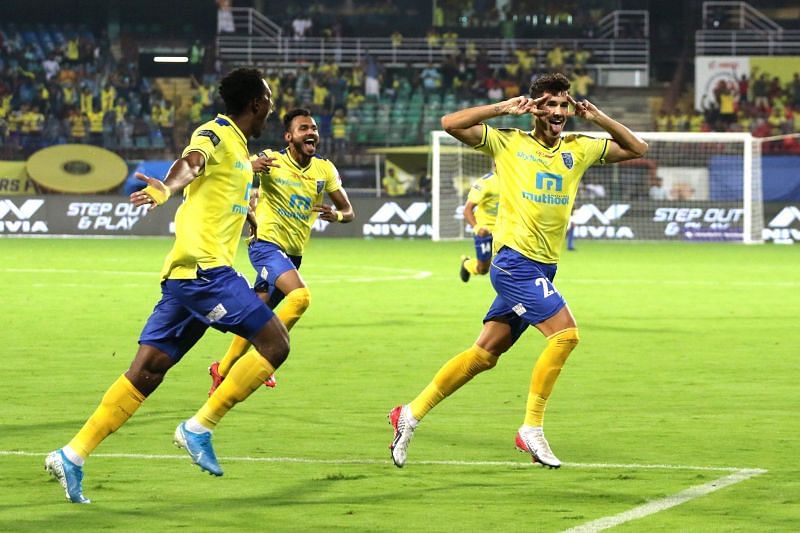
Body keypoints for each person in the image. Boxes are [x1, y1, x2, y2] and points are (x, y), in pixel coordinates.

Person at [45, 68, 288, 504]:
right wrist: (165, 188)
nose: (271, 104)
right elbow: (191, 164)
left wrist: (248, 207)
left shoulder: (239, 150)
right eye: (268, 98)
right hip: (205, 274)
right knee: (276, 344)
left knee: (147, 372)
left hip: (182, 278)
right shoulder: (214, 132)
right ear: (256, 103)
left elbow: (222, 183)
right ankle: (198, 427)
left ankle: (73, 454)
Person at [387, 73, 648, 468]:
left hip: (543, 266)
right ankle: (532, 428)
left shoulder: (580, 148)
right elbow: (450, 124)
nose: (558, 112)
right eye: (549, 103)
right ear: (534, 106)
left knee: (484, 354)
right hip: (513, 264)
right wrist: (502, 108)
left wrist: (598, 117)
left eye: (564, 105)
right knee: (565, 335)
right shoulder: (509, 141)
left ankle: (409, 413)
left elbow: (637, 148)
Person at [208, 108, 355, 395]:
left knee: (256, 314)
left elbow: (349, 211)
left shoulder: (325, 170)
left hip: (293, 254)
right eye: (303, 128)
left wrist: (336, 215)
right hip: (265, 246)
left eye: (313, 127)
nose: (311, 131)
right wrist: (248, 172)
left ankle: (221, 369)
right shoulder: (270, 161)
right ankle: (263, 360)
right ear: (289, 137)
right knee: (299, 297)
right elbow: (234, 176)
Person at [459, 170, 499, 282]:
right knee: (483, 269)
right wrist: (478, 228)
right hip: (485, 231)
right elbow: (467, 210)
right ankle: (467, 264)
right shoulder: (485, 183)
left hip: (505, 231)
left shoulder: (515, 180)